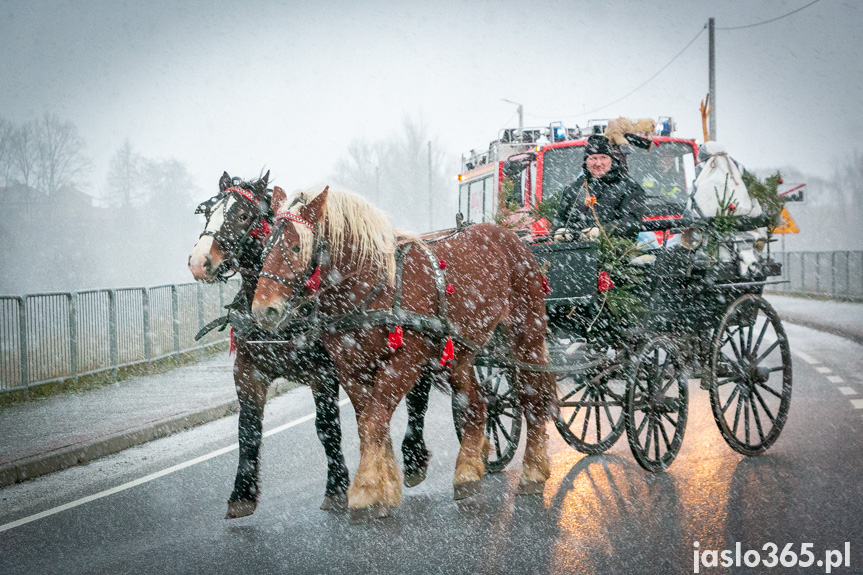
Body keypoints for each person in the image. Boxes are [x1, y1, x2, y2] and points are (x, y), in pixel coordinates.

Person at [553, 134, 645, 240]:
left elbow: (632, 222)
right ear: (586, 162)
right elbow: (560, 219)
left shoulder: (629, 187)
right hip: (578, 251)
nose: (598, 163)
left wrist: (602, 231)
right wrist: (559, 230)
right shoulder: (574, 189)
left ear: (612, 160)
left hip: (616, 251)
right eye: (593, 158)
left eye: (603, 157)